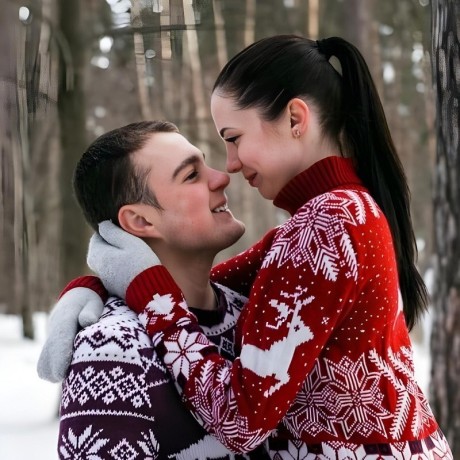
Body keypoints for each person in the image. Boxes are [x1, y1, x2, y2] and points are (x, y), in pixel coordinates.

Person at [40, 35, 453, 459]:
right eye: (193, 172)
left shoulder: (328, 223)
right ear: (140, 221)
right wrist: (100, 284)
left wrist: (147, 289)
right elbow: (198, 285)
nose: (229, 166)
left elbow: (240, 418)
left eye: (233, 138)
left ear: (295, 118)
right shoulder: (334, 218)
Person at [37, 120, 270, 459]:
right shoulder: (112, 352)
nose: (221, 177)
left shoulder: (252, 312)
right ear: (141, 221)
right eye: (191, 175)